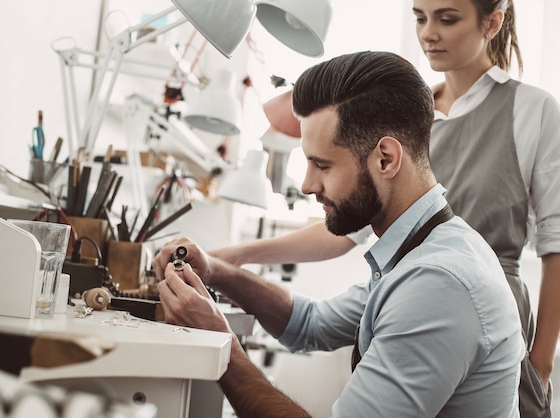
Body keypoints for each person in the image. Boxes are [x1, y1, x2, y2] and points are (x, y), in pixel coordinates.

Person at [210, 1, 560, 416]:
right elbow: (311, 318)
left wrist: (540, 365)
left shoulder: (530, 111)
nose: (428, 33)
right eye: (420, 18)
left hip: (464, 308)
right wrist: (221, 268)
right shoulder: (407, 239)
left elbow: (559, 242)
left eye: (447, 18)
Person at [153, 50, 525, 418]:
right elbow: (308, 324)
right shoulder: (422, 249)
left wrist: (220, 343)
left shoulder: (438, 283)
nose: (307, 184)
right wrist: (217, 271)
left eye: (322, 164)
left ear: (386, 159)